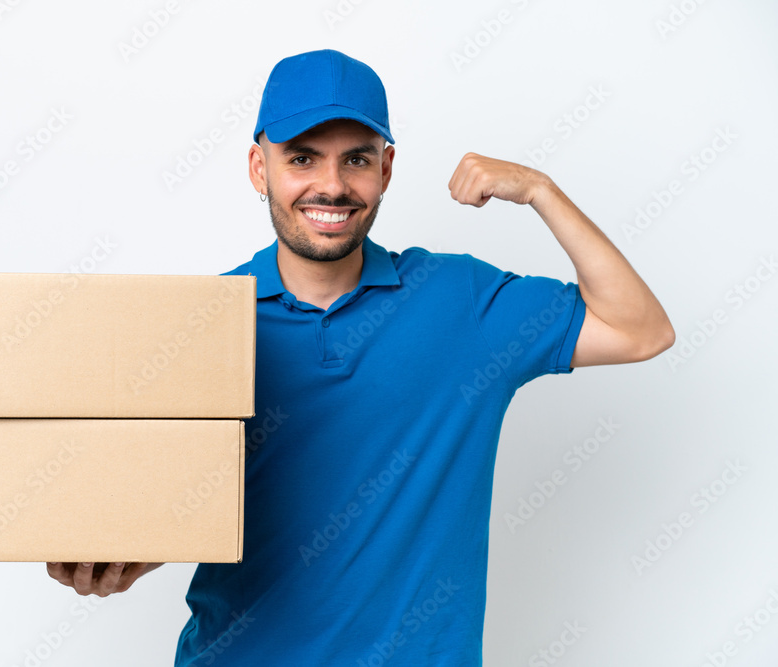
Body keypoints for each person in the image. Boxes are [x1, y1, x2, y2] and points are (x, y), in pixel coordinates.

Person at [47, 49, 674, 665]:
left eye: (356, 159)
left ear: (386, 169)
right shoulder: (204, 323)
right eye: (302, 158)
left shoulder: (462, 304)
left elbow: (640, 330)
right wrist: (124, 554)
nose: (332, 185)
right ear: (259, 169)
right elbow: (186, 497)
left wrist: (540, 189)